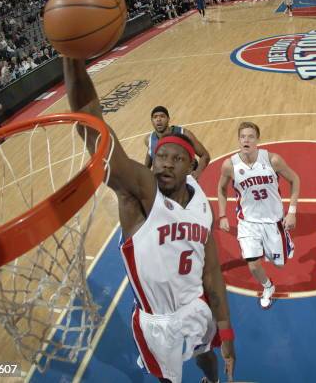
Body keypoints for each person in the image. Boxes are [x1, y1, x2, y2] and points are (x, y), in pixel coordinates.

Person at [63, 57, 235, 383]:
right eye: (161, 157)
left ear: (191, 168)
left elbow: (211, 273)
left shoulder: (199, 203)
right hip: (156, 321)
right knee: (168, 379)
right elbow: (94, 128)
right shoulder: (139, 196)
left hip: (194, 304)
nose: (166, 163)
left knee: (206, 359)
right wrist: (71, 55)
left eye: (176, 159)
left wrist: (225, 332)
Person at [217, 122, 300, 309]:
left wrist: (292, 212)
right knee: (253, 264)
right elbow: (221, 189)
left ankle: (284, 240)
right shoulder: (229, 165)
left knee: (280, 264)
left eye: (250, 136)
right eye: (243, 137)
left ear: (258, 140)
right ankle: (267, 287)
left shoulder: (273, 160)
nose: (246, 140)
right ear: (238, 140)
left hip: (273, 221)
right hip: (248, 223)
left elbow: (295, 180)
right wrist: (223, 215)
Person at [144, 106, 210, 179]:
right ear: (151, 120)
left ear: (168, 119)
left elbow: (205, 155)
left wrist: (197, 173)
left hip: (187, 178)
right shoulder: (149, 140)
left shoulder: (184, 134)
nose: (158, 119)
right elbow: (148, 163)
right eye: (155, 117)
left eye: (162, 116)